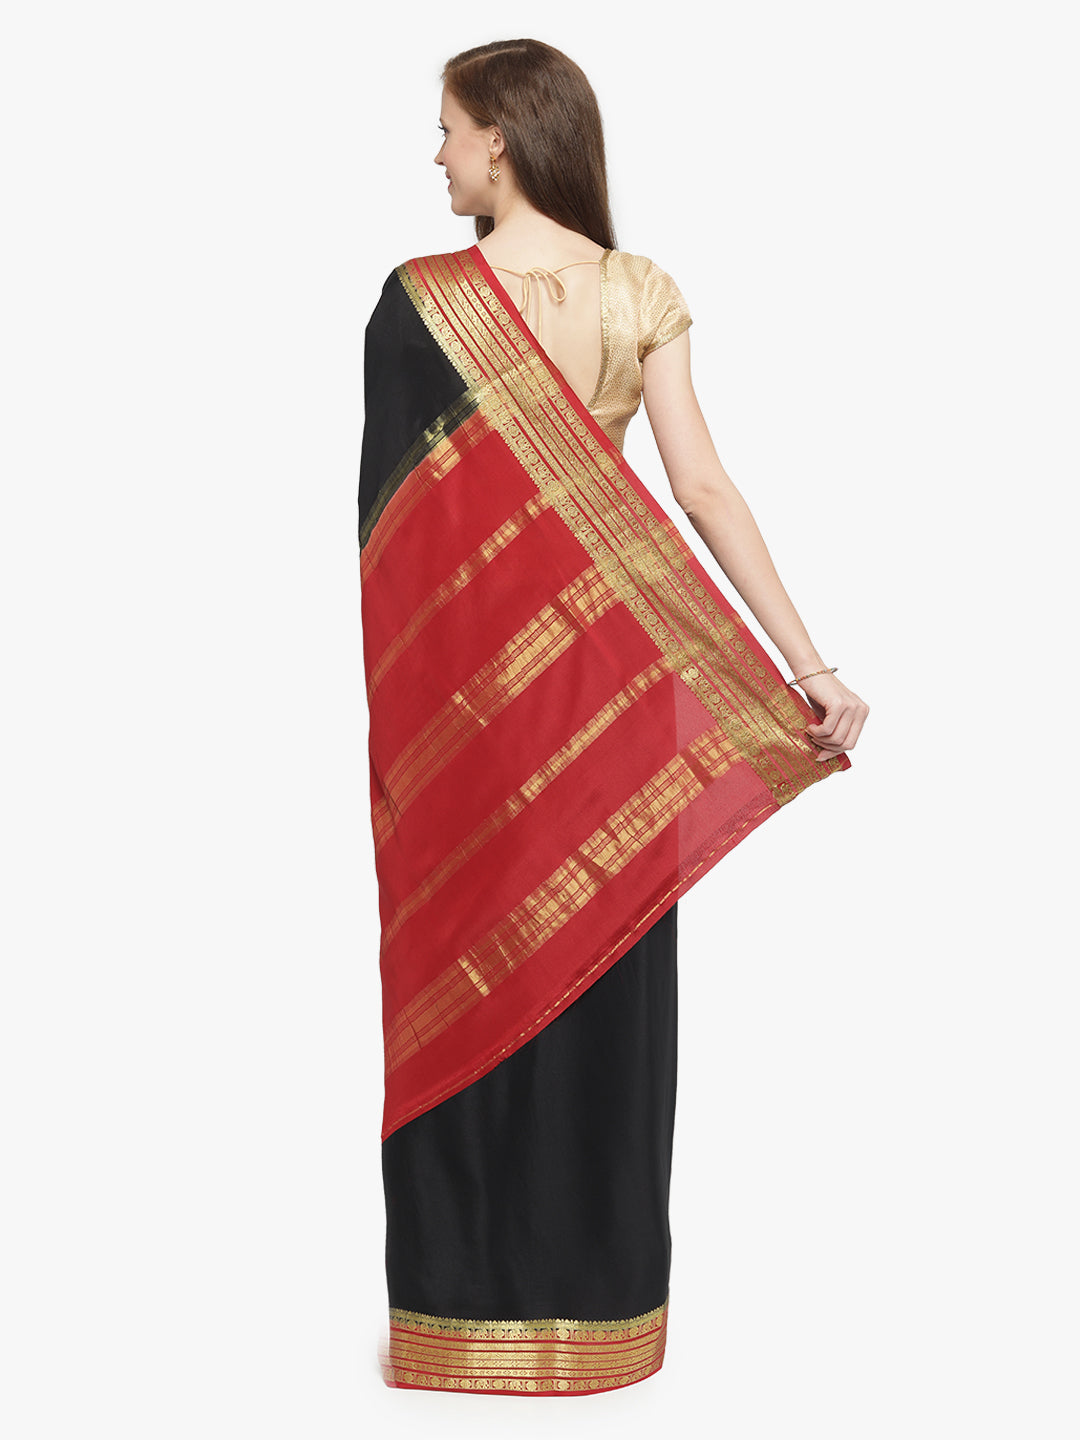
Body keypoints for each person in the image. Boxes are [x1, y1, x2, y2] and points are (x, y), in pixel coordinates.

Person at [357, 38, 868, 1396]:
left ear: (501, 138)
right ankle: (598, 1311)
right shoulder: (636, 291)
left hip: (472, 711)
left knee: (470, 964)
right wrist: (809, 663)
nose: (438, 154)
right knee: (603, 987)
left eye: (449, 129)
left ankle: (465, 1314)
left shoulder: (417, 302)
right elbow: (702, 487)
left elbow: (393, 547)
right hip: (618, 704)